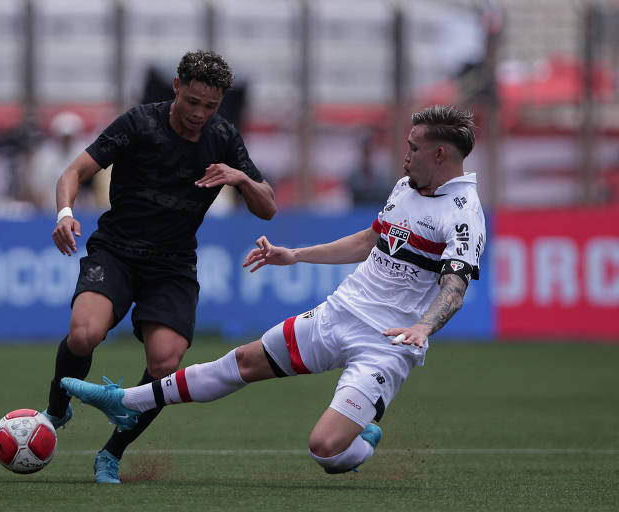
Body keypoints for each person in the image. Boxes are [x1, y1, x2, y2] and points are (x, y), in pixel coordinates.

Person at [60, 105, 486, 476]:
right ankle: (125, 400)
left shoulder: (463, 214)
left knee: (325, 449)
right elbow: (370, 240)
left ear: (440, 154)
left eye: (413, 147)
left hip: (387, 343)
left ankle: (361, 438)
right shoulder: (406, 187)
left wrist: (424, 327)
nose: (405, 153)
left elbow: (454, 285)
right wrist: (295, 255)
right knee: (242, 361)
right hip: (341, 312)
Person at [41, 50, 276, 484]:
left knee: (166, 364)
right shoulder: (139, 124)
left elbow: (268, 208)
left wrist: (241, 179)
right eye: (193, 102)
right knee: (84, 333)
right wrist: (64, 213)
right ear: (176, 87)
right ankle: (55, 410)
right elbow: (73, 171)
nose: (200, 114)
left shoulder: (223, 137)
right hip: (116, 251)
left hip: (172, 266)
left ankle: (112, 453)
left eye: (211, 105)